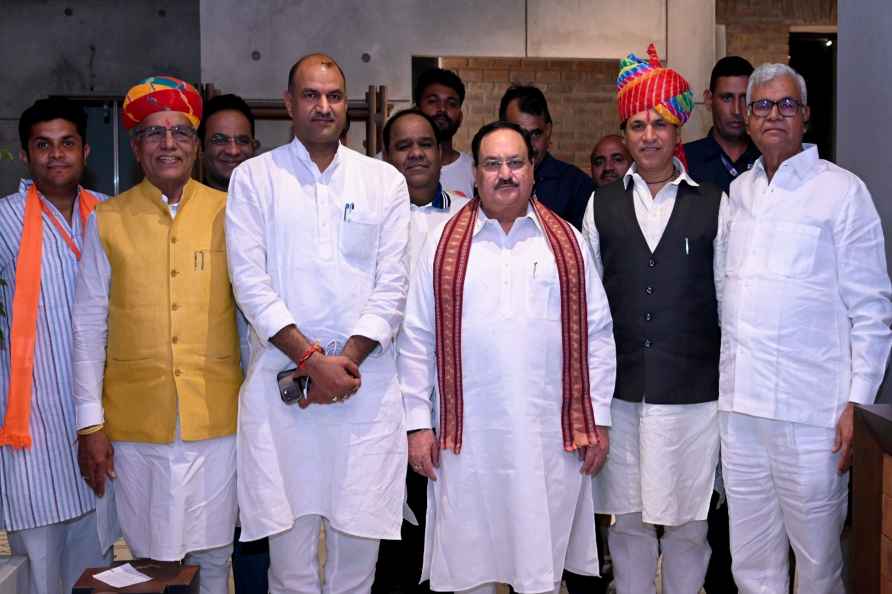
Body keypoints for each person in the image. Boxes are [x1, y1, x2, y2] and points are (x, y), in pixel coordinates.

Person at [399, 120, 615, 594]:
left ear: (533, 169)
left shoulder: (568, 244)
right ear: (474, 173)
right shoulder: (441, 244)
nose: (505, 174)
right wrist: (417, 425)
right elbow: (416, 338)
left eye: (516, 163)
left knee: (539, 569)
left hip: (547, 441)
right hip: (465, 442)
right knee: (469, 566)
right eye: (493, 164)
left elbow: (597, 334)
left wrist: (597, 419)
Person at [226, 53, 410, 594]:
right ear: (289, 104)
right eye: (311, 95)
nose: (323, 106)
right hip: (284, 394)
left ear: (346, 106)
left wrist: (342, 364)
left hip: (364, 388)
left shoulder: (384, 182)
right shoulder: (254, 179)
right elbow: (250, 284)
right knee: (291, 565)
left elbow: (392, 286)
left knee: (358, 561)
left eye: (333, 96)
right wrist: (311, 361)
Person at [719, 62, 892, 594]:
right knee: (750, 564)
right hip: (740, 412)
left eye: (786, 104)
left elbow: (872, 310)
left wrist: (855, 405)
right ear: (747, 118)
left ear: (806, 116)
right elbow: (725, 297)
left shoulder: (841, 192)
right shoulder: (738, 196)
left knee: (817, 563)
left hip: (811, 415)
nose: (775, 115)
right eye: (763, 105)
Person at [73, 75, 242, 594]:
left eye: (180, 133)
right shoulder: (108, 219)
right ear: (136, 147)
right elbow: (87, 325)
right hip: (135, 421)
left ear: (194, 145)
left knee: (214, 555)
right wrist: (89, 425)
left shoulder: (230, 213)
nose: (168, 144)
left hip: (216, 418)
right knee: (148, 561)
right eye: (154, 133)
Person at [582, 44, 724, 594]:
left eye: (660, 123)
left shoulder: (715, 202)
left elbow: (726, 301)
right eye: (637, 124)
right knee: (629, 522)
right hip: (622, 395)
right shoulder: (601, 204)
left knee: (689, 523)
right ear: (624, 129)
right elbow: (591, 305)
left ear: (678, 130)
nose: (648, 136)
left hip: (693, 397)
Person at [0, 97, 114, 594]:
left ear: (85, 151)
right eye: (42, 146)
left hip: (99, 418)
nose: (55, 156)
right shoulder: (3, 221)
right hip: (32, 427)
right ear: (26, 155)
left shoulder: (110, 217)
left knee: (99, 562)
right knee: (38, 569)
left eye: (66, 143)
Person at [373, 108, 469, 594]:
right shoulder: (369, 217)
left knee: (449, 524)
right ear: (386, 155)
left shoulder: (469, 216)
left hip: (449, 397)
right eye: (403, 146)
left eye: (425, 145)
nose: (415, 154)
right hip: (379, 391)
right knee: (389, 529)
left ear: (440, 153)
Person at [197, 91, 269, 594]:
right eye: (219, 139)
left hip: (266, 391)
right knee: (202, 535)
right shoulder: (188, 210)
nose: (231, 149)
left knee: (257, 524)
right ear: (201, 146)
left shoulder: (271, 206)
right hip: (205, 401)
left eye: (241, 139)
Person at [499, 85, 593, 229]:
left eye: (535, 134)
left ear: (548, 131)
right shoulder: (488, 184)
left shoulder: (577, 186)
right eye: (519, 134)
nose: (528, 145)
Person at [684, 56, 760, 194]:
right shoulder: (684, 161)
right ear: (708, 100)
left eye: (744, 99)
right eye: (727, 98)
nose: (737, 110)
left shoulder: (767, 159)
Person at [415, 68, 475, 199]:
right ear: (417, 110)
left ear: (460, 117)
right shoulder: (387, 165)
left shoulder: (474, 170)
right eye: (432, 101)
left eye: (451, 103)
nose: (442, 109)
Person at [198, 93, 259, 192]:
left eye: (242, 141)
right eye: (220, 140)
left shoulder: (272, 202)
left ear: (254, 147)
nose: (233, 151)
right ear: (200, 148)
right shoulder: (185, 206)